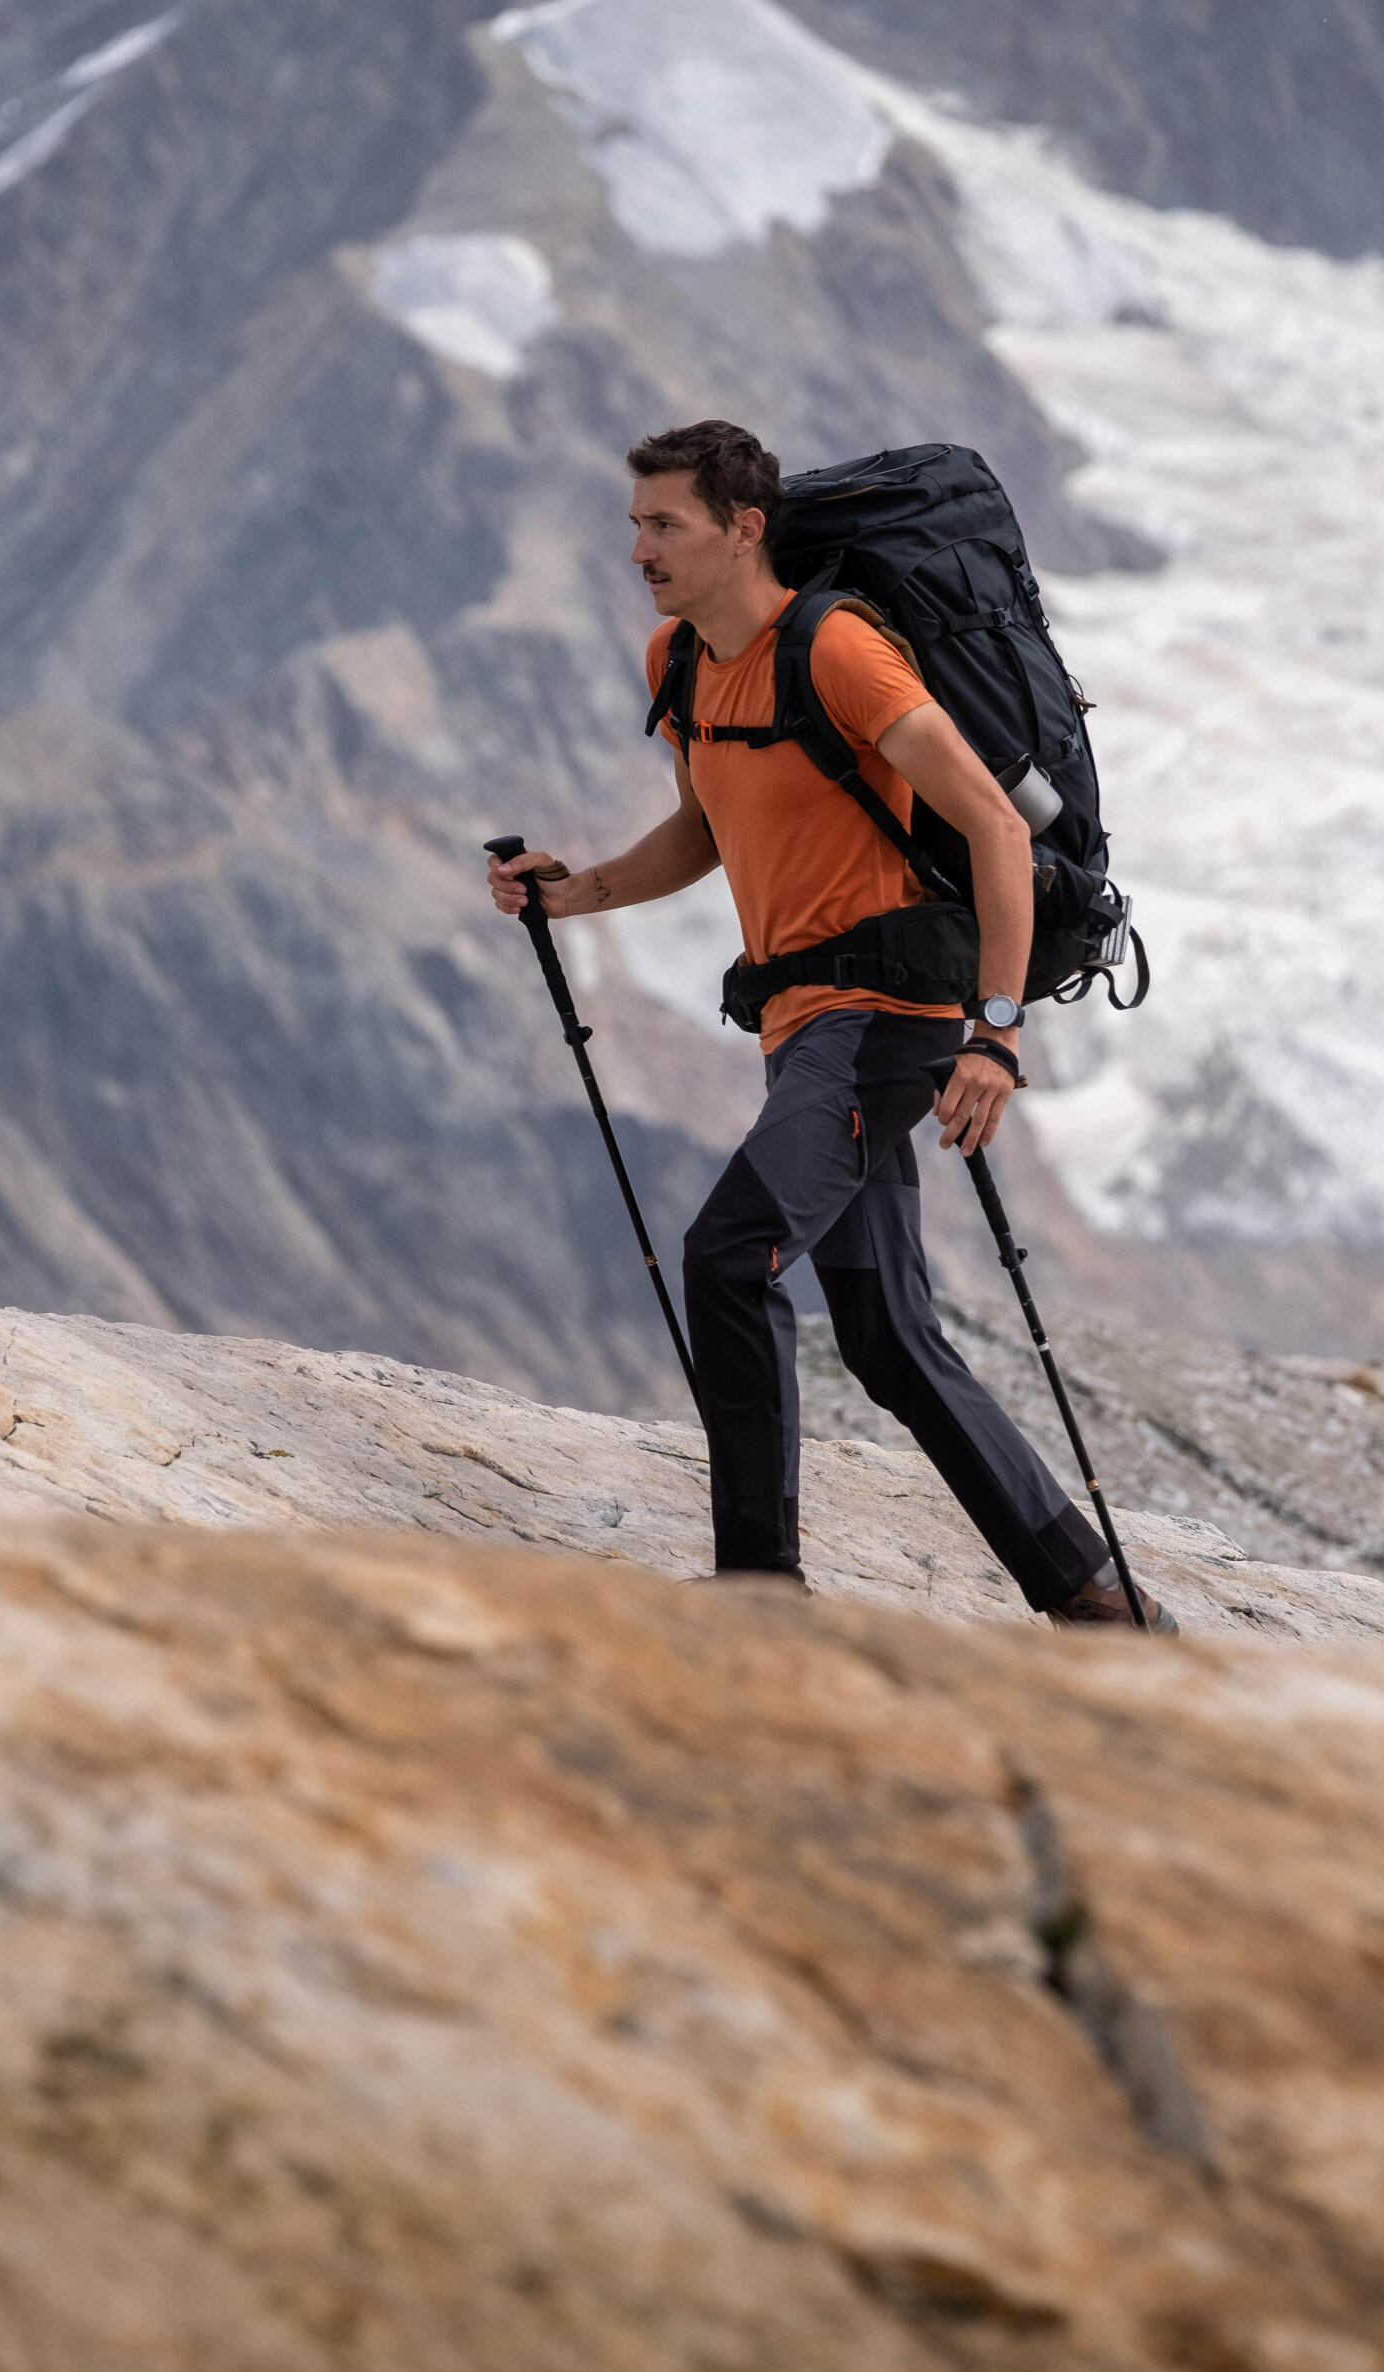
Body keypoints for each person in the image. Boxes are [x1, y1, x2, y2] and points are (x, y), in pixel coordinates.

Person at [487, 419, 1175, 1633]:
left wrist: (998, 1035)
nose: (637, 547)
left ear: (744, 529)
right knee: (889, 1334)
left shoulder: (844, 652)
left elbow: (998, 829)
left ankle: (761, 1593)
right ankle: (1094, 1601)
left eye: (664, 525)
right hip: (805, 1025)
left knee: (726, 1253)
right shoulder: (680, 661)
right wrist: (576, 889)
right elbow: (706, 827)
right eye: (635, 521)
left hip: (884, 1015)